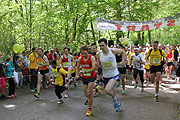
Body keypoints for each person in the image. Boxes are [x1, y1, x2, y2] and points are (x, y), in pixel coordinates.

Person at [96, 38, 125, 112]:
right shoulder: (98, 54)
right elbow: (99, 65)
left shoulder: (112, 50)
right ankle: (118, 102)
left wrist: (123, 61)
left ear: (106, 45)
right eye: (100, 46)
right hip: (105, 75)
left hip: (114, 74)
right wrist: (97, 65)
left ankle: (114, 99)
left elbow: (123, 51)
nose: (102, 47)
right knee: (110, 90)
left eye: (103, 45)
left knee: (107, 90)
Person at [75, 45, 96, 116]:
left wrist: (85, 72)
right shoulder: (80, 59)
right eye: (82, 53)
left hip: (91, 77)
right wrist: (77, 74)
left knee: (89, 93)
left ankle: (89, 109)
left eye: (85, 53)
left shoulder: (92, 58)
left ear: (88, 51)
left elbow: (94, 68)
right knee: (86, 94)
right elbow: (77, 67)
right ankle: (94, 89)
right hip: (84, 78)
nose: (83, 55)